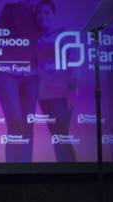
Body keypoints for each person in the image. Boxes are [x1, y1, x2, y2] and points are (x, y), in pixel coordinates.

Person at [0, 0, 41, 162]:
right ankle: (12, 169)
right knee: (15, 123)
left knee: (28, 125)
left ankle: (26, 168)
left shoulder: (40, 12)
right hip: (7, 73)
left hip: (32, 76)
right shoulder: (11, 9)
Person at [34, 0, 77, 161]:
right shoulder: (35, 38)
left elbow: (73, 66)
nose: (42, 16)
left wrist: (71, 92)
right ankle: (62, 171)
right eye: (38, 13)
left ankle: (72, 173)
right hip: (43, 93)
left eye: (46, 12)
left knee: (61, 133)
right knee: (56, 136)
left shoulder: (64, 35)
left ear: (53, 14)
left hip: (62, 92)